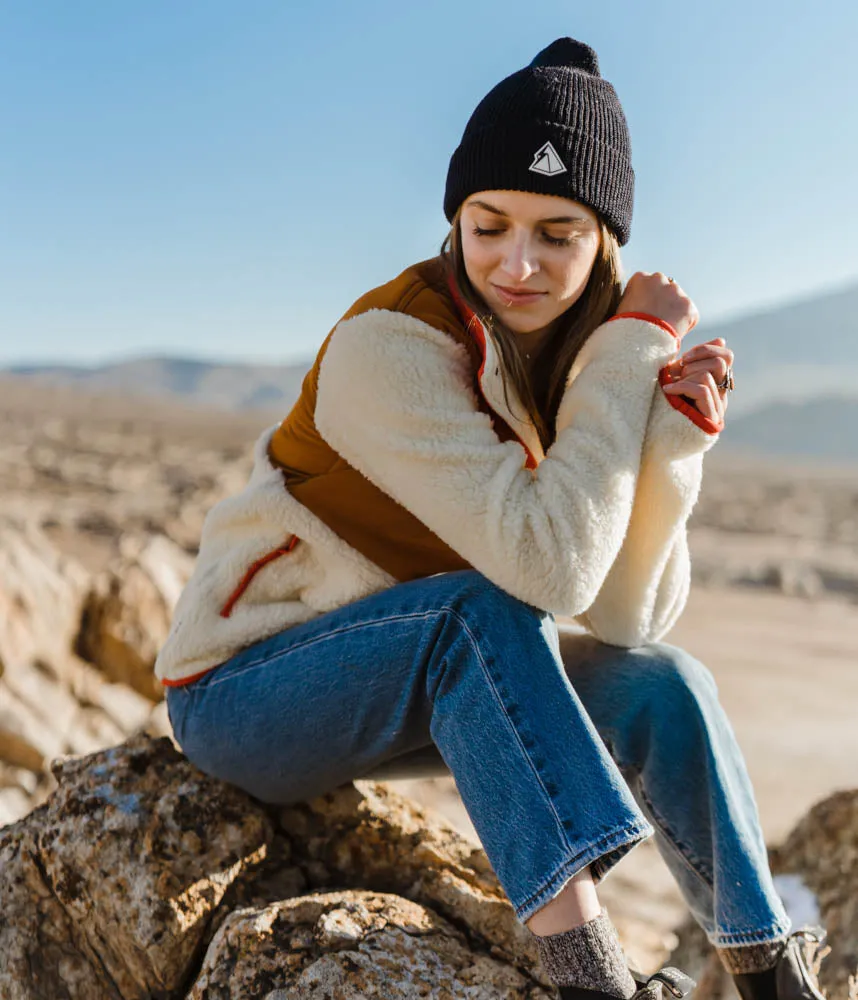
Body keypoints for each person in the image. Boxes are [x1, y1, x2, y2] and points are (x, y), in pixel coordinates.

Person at [156, 37, 826, 1000]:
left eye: (558, 234)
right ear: (454, 222)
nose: (519, 264)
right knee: (483, 610)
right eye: (489, 225)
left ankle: (767, 975)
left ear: (605, 245)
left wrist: (671, 446)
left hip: (406, 689)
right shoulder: (385, 348)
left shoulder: (581, 363)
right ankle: (592, 979)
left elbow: (626, 616)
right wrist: (630, 355)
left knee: (665, 681)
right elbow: (547, 576)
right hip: (245, 692)